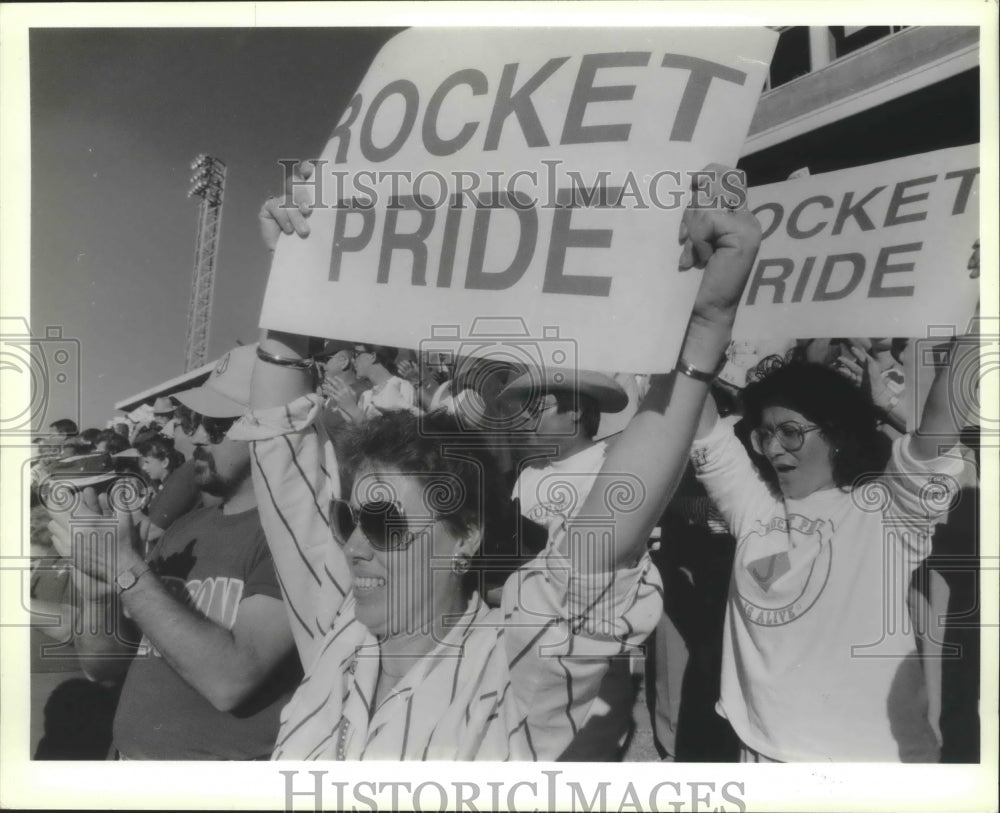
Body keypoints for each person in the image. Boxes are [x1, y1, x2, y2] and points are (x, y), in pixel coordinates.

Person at [240, 162, 761, 760]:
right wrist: (295, 274)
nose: (355, 546)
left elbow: (598, 548)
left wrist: (705, 325)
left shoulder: (513, 669)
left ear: (466, 538)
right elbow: (281, 456)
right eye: (347, 520)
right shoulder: (336, 625)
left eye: (385, 525)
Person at [689, 337, 973, 762]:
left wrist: (986, 310)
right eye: (763, 434)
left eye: (790, 432)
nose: (772, 447)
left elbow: (940, 422)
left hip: (874, 773)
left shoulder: (888, 510)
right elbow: (693, 412)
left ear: (836, 434)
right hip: (763, 756)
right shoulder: (754, 506)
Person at [51, 345, 300, 759]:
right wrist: (98, 598)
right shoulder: (187, 528)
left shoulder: (292, 537)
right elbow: (103, 666)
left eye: (217, 425)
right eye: (193, 420)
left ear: (274, 430)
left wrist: (124, 568)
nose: (198, 436)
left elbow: (231, 681)